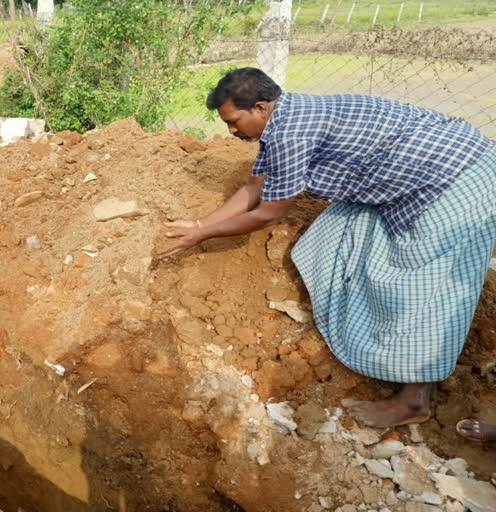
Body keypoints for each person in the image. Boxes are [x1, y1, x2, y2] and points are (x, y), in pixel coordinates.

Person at [159, 67, 496, 428]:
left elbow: (268, 213)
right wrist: (198, 225)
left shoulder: (291, 132)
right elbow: (254, 187)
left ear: (259, 108)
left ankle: (415, 401)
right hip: (433, 170)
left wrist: (202, 237)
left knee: (428, 284)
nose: (230, 130)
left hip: (458, 178)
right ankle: (358, 323)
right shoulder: (284, 118)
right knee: (344, 225)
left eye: (233, 121)